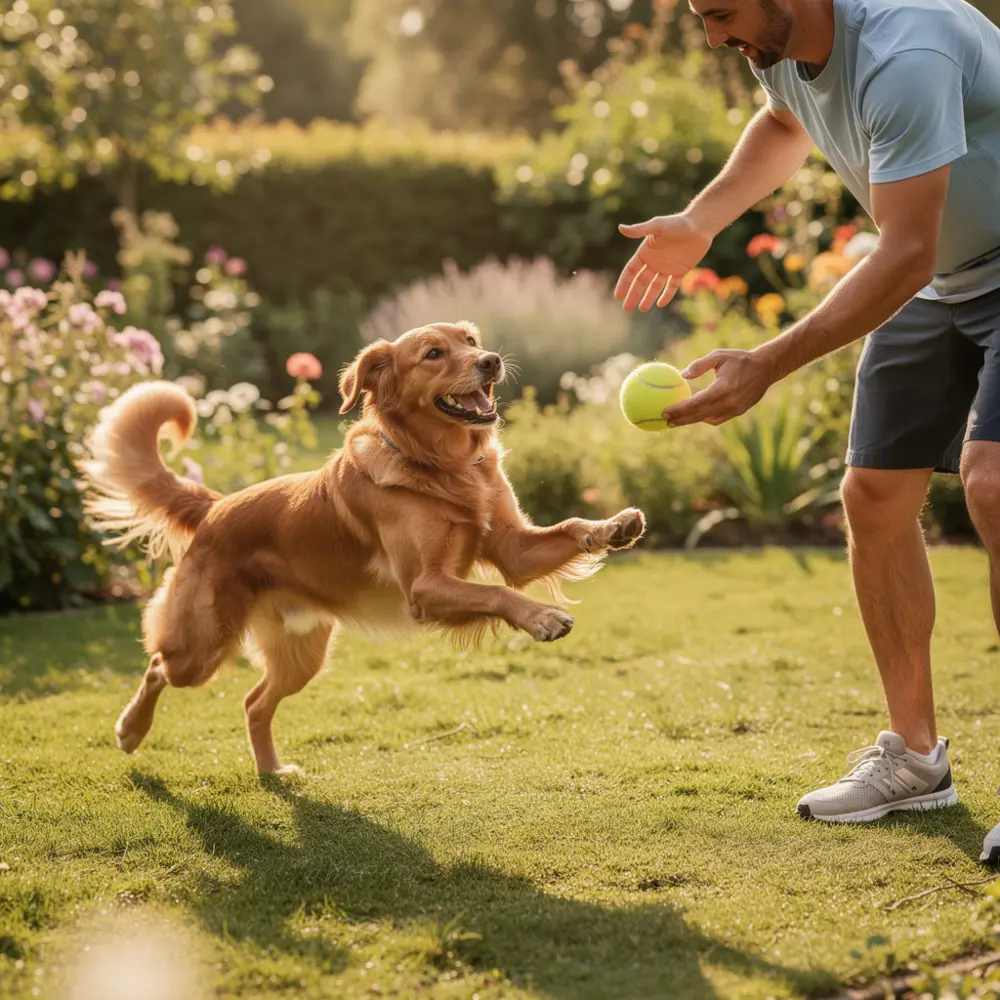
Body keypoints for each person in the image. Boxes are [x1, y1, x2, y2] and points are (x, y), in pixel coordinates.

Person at [615, 0, 1000, 864]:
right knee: (872, 494)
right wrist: (703, 219)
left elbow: (900, 251)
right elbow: (784, 119)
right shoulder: (778, 40)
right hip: (942, 277)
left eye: (720, 14)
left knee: (994, 481)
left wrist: (769, 362)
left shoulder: (907, 50)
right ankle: (914, 758)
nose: (714, 38)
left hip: (935, 261)